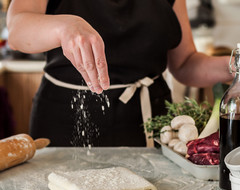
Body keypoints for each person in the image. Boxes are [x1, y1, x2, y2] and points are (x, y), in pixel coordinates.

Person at [6, 0, 233, 147]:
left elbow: (185, 63)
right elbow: (16, 30)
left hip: (151, 123)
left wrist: (235, 66)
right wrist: (63, 27)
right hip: (67, 119)